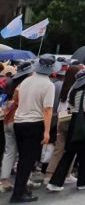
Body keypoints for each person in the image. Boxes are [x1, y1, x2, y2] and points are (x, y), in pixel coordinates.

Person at [46, 69, 85, 193]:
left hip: (73, 123)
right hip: (83, 124)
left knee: (68, 153)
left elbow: (73, 108)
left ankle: (55, 182)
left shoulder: (72, 90)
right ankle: (82, 182)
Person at [12, 54, 57, 203]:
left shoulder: (26, 81)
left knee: (23, 159)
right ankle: (18, 194)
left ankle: (21, 189)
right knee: (27, 161)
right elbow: (48, 110)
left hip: (19, 122)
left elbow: (16, 99)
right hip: (34, 124)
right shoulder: (48, 85)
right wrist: (46, 131)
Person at [45, 64, 81, 187]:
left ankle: (49, 174)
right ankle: (67, 174)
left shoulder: (64, 86)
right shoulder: (75, 88)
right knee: (71, 149)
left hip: (62, 117)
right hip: (70, 118)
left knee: (59, 148)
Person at [0, 62, 32, 194]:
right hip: (20, 120)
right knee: (24, 153)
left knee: (9, 152)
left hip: (7, 119)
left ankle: (4, 181)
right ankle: (25, 180)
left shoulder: (9, 83)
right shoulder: (25, 86)